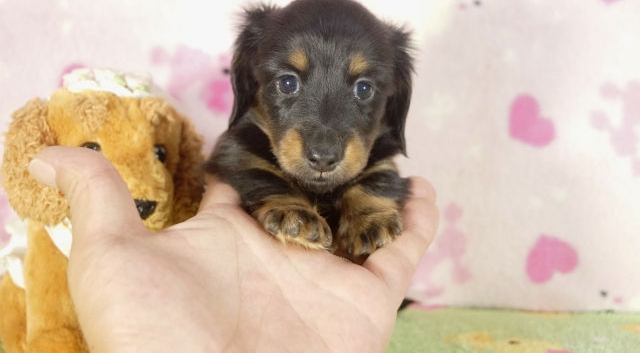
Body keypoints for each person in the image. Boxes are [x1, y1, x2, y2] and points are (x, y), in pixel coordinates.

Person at [28, 146, 440, 353]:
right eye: (288, 83)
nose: (323, 143)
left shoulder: (374, 154)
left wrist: (368, 205)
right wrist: (278, 200)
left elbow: (384, 176)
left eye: (364, 89)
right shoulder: (245, 149)